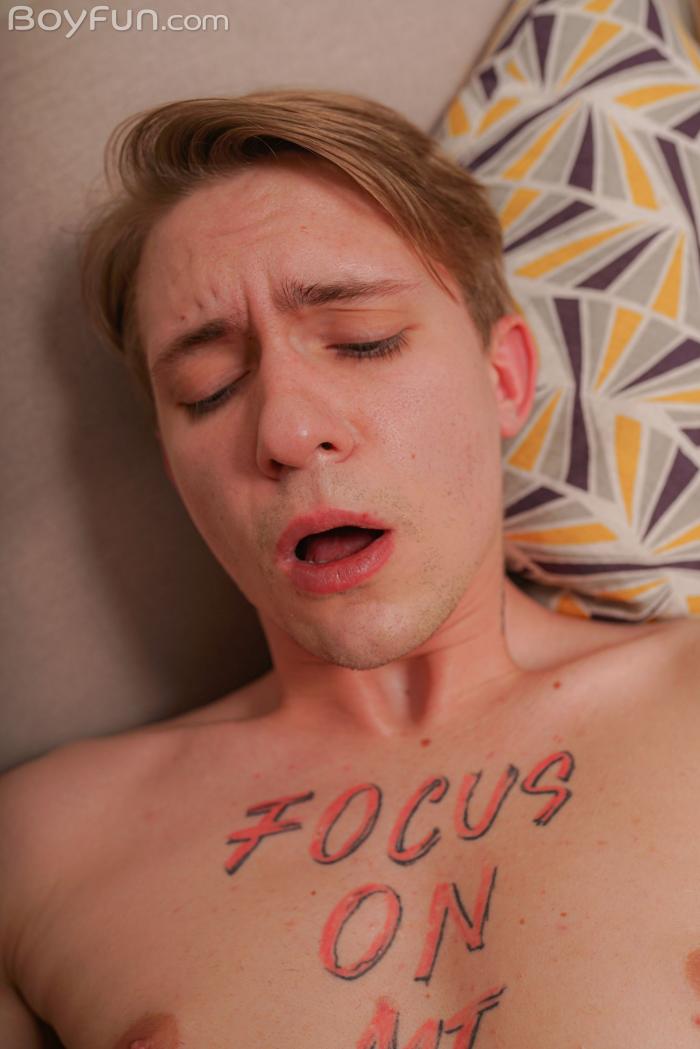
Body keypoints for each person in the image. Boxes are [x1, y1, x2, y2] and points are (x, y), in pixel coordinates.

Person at [1, 89, 699, 1049]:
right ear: (171, 464)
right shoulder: (40, 852)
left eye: (363, 340)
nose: (288, 431)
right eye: (208, 389)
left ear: (504, 378)